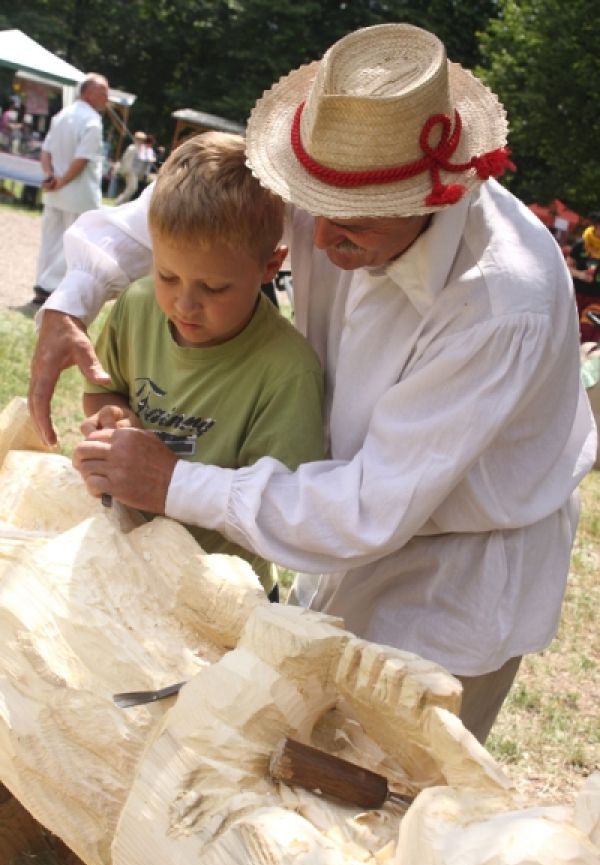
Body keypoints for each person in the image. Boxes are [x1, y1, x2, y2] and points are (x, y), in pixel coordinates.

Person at [29, 24, 596, 744]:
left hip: (453, 576)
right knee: (278, 761)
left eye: (352, 229)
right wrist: (71, 298)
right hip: (333, 530)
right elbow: (173, 213)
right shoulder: (325, 168)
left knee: (378, 806)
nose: (314, 243)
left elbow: (370, 508)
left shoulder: (496, 302)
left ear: (435, 198)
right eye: (309, 208)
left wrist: (175, 482)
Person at [80, 131, 325, 600]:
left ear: (271, 266)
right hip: (123, 567)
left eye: (214, 288)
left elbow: (280, 508)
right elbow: (103, 387)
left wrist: (170, 480)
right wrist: (113, 417)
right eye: (167, 275)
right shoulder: (137, 305)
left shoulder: (288, 371)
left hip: (223, 595)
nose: (184, 305)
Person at [31, 73, 109, 306]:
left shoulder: (61, 116)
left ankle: (41, 284)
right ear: (88, 93)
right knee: (76, 241)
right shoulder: (92, 120)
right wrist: (61, 180)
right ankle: (50, 286)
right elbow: (82, 159)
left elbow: (46, 151)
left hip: (55, 191)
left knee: (50, 239)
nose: (107, 97)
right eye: (103, 92)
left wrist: (50, 178)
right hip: (78, 193)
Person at [566, 211, 600, 343]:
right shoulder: (581, 244)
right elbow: (566, 268)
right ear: (596, 226)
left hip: (597, 299)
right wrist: (580, 274)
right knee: (569, 328)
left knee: (587, 331)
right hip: (576, 295)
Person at [113, 131, 147, 205]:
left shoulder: (138, 149)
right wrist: (122, 170)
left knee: (131, 188)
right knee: (132, 187)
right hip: (129, 171)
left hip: (132, 171)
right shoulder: (132, 148)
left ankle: (122, 202)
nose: (141, 142)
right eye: (140, 139)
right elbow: (124, 159)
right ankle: (119, 202)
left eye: (142, 140)